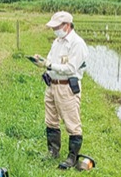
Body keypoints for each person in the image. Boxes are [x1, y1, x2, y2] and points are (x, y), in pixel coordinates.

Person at [33, 11, 89, 169]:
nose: (54, 30)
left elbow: (71, 68)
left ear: (67, 25)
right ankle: (53, 152)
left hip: (67, 87)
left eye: (57, 27)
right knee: (51, 119)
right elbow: (51, 60)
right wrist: (43, 61)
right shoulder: (57, 41)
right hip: (52, 84)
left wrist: (49, 65)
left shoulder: (77, 44)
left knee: (72, 122)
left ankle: (72, 157)